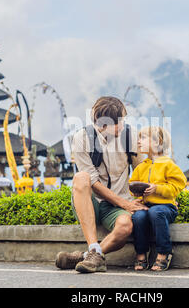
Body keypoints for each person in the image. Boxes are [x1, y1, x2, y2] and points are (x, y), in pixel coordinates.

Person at [55, 96, 147, 273]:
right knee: (81, 177)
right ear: (104, 124)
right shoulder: (81, 138)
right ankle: (92, 246)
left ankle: (90, 255)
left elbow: (142, 172)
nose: (123, 124)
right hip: (93, 203)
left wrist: (162, 197)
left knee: (126, 226)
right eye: (120, 121)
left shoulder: (130, 135)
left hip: (119, 206)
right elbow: (92, 182)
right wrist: (124, 204)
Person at [129, 126, 187, 271]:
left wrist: (157, 188)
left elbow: (177, 187)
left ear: (158, 142)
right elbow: (132, 186)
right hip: (147, 206)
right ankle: (141, 253)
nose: (138, 141)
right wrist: (135, 193)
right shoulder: (140, 167)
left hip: (166, 207)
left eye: (143, 138)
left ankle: (164, 252)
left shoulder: (169, 165)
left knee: (156, 212)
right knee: (138, 217)